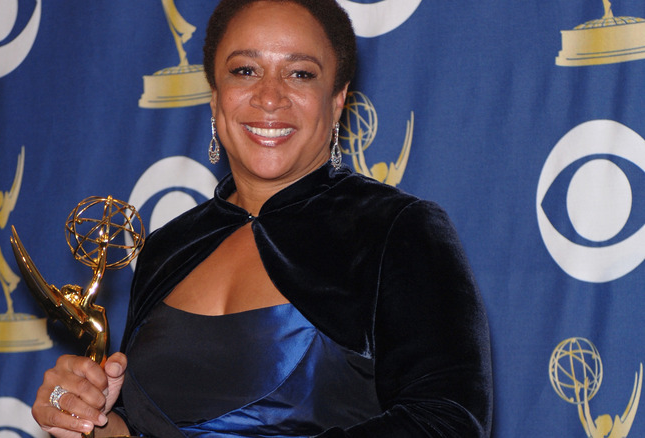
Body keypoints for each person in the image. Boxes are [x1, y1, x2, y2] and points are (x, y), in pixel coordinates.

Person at [31, 0, 493, 436]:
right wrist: (98, 423)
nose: (269, 97)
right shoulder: (167, 249)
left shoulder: (399, 231)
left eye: (300, 73)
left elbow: (446, 422)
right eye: (245, 70)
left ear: (337, 101)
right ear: (215, 99)